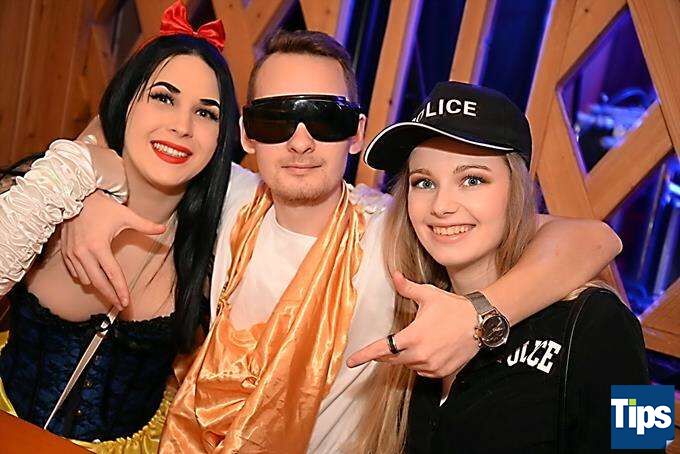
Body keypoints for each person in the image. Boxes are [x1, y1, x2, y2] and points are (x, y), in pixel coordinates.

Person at [62, 31, 622, 453]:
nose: (300, 142)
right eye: (276, 119)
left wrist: (481, 314)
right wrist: (90, 194)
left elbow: (596, 238)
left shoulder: (396, 230)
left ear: (356, 134)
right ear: (246, 135)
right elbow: (115, 135)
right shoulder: (225, 197)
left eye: (325, 119)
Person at [355, 81, 650, 453]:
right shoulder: (412, 312)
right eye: (424, 182)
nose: (442, 205)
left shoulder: (602, 319)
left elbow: (646, 439)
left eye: (472, 179)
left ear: (517, 191)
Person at [0, 2, 237, 450]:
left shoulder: (217, 242)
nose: (182, 126)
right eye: (164, 97)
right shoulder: (54, 197)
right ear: (129, 102)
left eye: (206, 112)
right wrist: (87, 165)